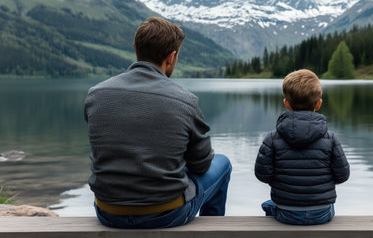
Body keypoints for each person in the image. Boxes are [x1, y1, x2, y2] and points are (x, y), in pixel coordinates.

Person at [84, 17, 232, 229]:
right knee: (223, 163)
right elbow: (201, 165)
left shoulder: (95, 95)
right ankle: (213, 233)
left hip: (108, 212)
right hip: (166, 214)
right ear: (172, 57)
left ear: (136, 48)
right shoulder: (186, 101)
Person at [254, 69, 349, 225]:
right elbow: (342, 175)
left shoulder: (272, 138)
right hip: (322, 213)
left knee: (267, 205)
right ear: (318, 103)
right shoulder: (330, 139)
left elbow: (262, 175)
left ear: (286, 103)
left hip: (286, 212)